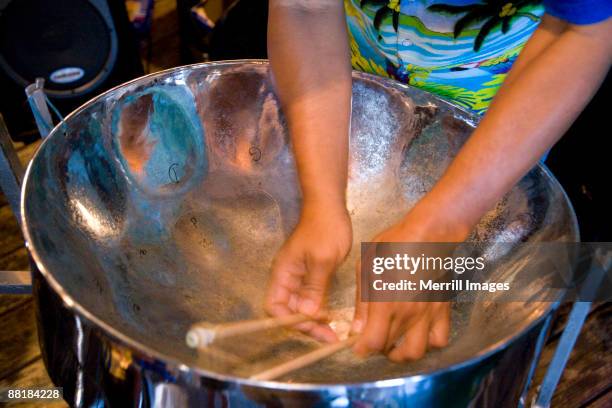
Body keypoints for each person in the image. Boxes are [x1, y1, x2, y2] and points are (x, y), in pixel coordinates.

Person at [264, 0, 612, 362]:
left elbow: (580, 30)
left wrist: (442, 224)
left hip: (516, 91)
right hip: (358, 56)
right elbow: (307, 9)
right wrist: (323, 202)